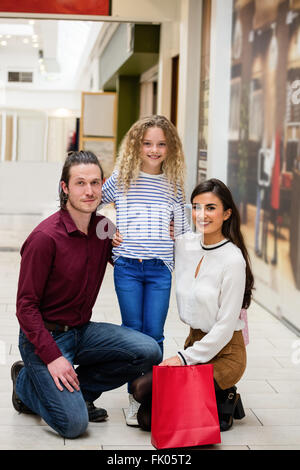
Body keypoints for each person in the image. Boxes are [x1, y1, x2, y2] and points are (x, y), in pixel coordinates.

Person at [11, 150, 162, 439]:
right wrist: (53, 357)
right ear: (65, 187)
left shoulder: (103, 228)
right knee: (74, 425)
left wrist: (161, 233)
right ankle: (25, 383)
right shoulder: (45, 239)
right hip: (45, 338)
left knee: (148, 351)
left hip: (82, 332)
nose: (90, 191)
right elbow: (25, 307)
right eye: (80, 183)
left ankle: (80, 392)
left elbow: (128, 260)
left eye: (95, 183)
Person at [132, 178, 254, 432]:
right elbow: (147, 236)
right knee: (139, 389)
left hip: (225, 353)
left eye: (211, 208)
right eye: (196, 207)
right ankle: (215, 397)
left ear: (227, 213)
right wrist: (114, 235)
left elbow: (224, 328)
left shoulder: (233, 260)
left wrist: (182, 359)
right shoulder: (185, 244)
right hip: (195, 344)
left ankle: (224, 397)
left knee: (148, 418)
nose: (202, 215)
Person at [100, 115, 188, 425]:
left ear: (170, 148)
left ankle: (151, 395)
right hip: (127, 268)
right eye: (147, 143)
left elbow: (185, 226)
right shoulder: (122, 177)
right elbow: (92, 205)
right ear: (137, 145)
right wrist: (107, 230)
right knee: (133, 333)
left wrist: (178, 228)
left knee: (155, 334)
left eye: (161, 144)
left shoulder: (173, 183)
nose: (154, 150)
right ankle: (134, 399)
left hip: (160, 269)